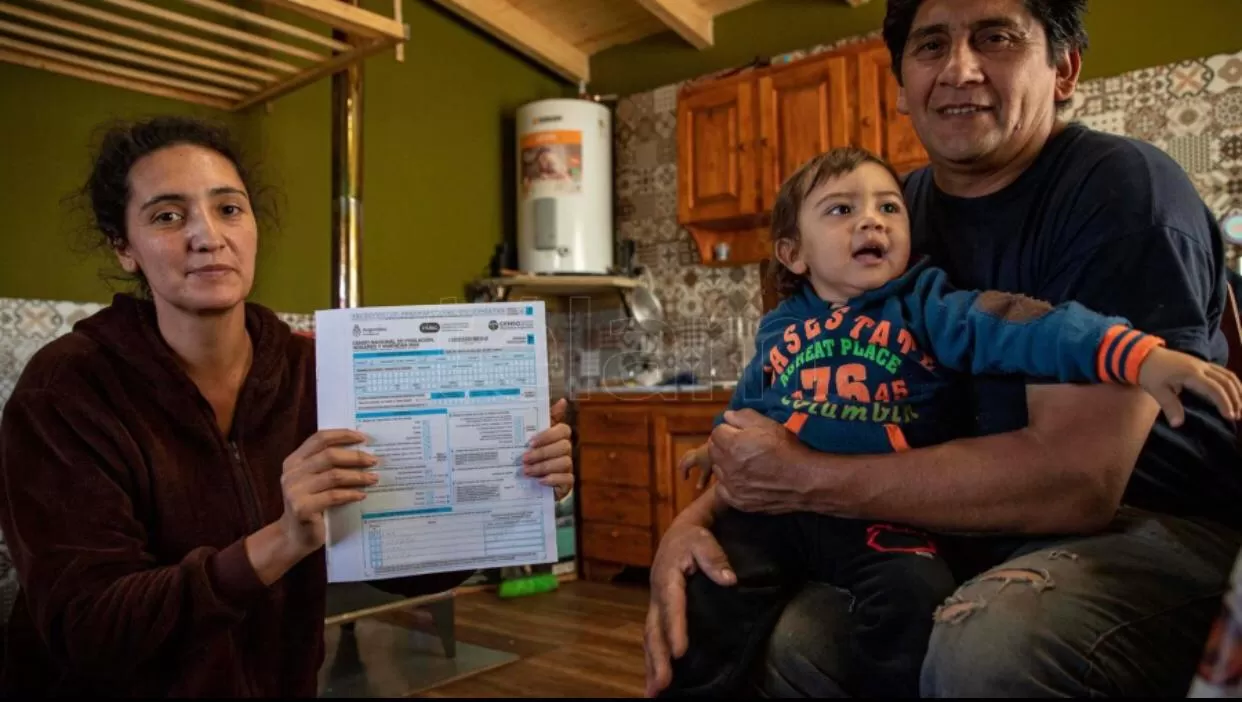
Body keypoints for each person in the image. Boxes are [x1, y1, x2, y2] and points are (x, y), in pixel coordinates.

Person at [644, 0, 1242, 697]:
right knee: (785, 637)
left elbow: (1075, 482)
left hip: (1150, 526)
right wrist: (690, 524)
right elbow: (791, 397)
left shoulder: (1118, 187)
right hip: (950, 520)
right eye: (931, 46)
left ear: (1064, 68)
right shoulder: (898, 212)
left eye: (996, 37)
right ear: (901, 86)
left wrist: (804, 478)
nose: (959, 69)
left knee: (989, 644)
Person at [0, 116, 576, 696]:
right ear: (123, 247)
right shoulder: (66, 390)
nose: (208, 235)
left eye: (228, 208)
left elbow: (402, 563)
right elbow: (87, 629)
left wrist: (510, 485)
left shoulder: (314, 372)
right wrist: (283, 541)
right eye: (167, 216)